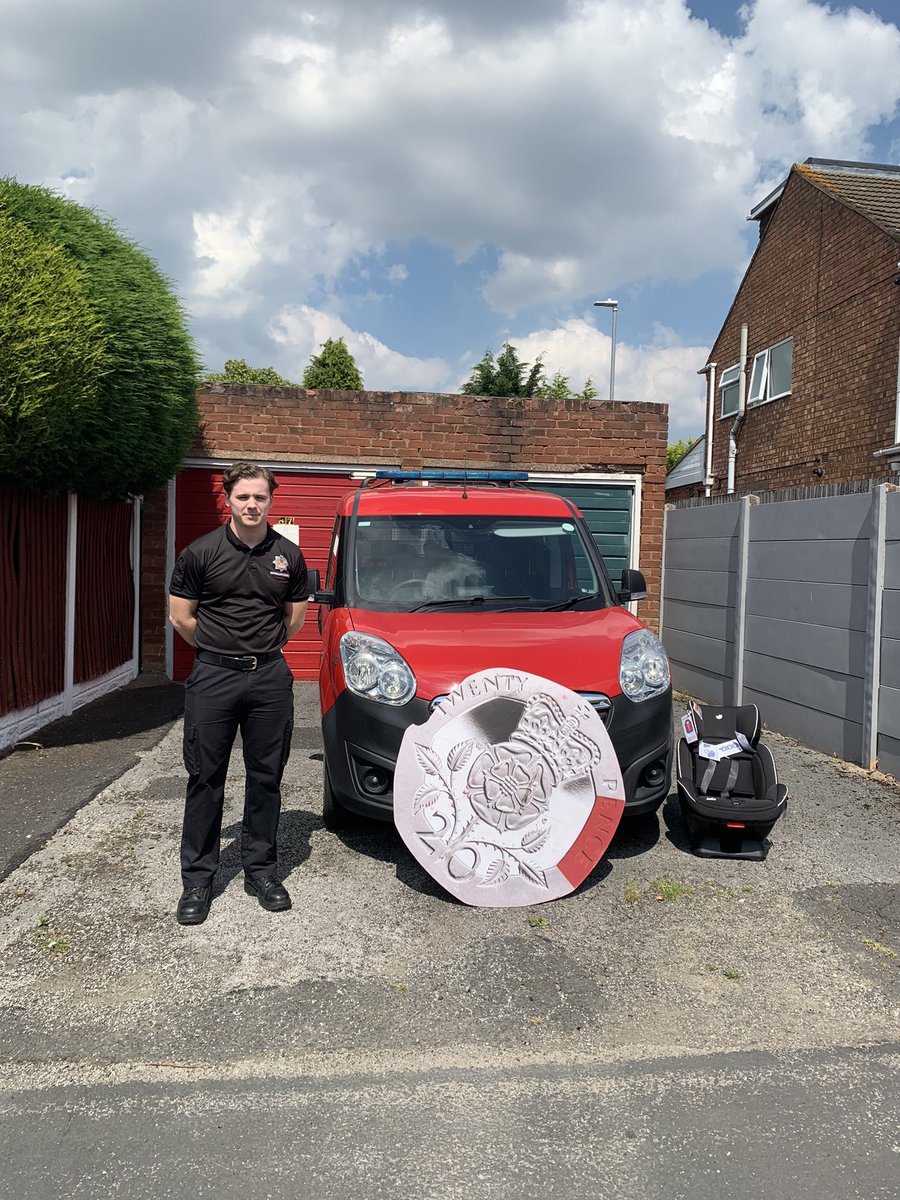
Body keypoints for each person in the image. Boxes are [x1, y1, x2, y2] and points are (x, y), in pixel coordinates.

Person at [168, 462, 309, 925]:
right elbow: (182, 618)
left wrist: (258, 655)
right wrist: (220, 653)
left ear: (271, 500)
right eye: (243, 497)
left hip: (269, 678)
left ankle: (261, 871)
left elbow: (294, 619)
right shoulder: (199, 553)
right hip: (214, 678)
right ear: (228, 498)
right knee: (205, 778)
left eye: (260, 498)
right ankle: (198, 879)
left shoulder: (287, 554)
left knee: (266, 777)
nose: (252, 505)